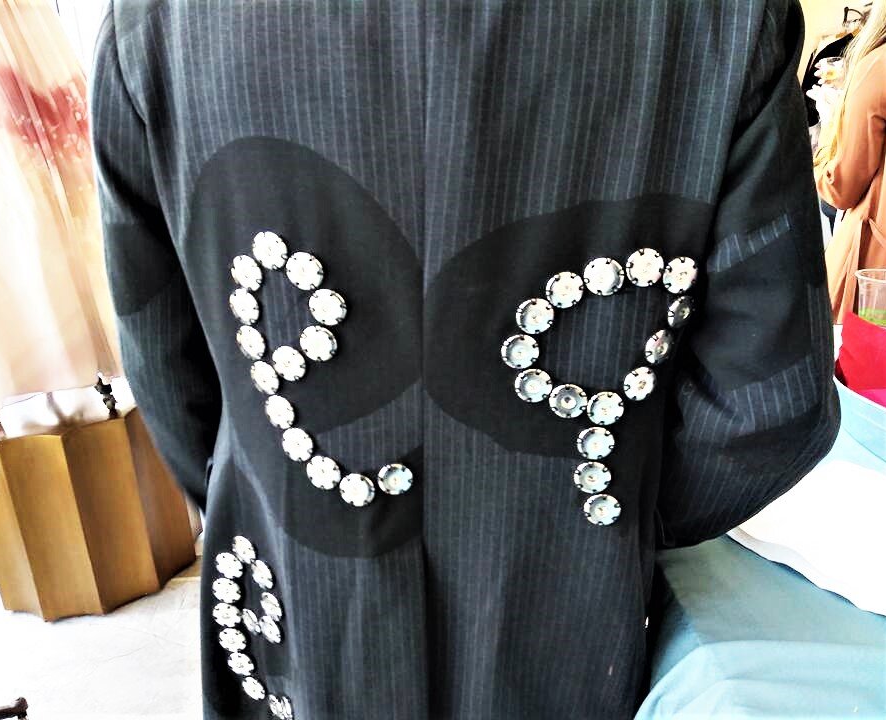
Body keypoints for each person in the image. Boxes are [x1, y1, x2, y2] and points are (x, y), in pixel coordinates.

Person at [89, 1, 839, 718]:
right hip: (565, 615)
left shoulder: (154, 24)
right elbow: (769, 405)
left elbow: (167, 369)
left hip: (303, 598)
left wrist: (274, 486)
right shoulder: (721, 18)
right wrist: (605, 512)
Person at [815, 1, 886, 322]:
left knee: (861, 349)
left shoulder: (881, 64)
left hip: (878, 272)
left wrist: (831, 124)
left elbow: (841, 187)